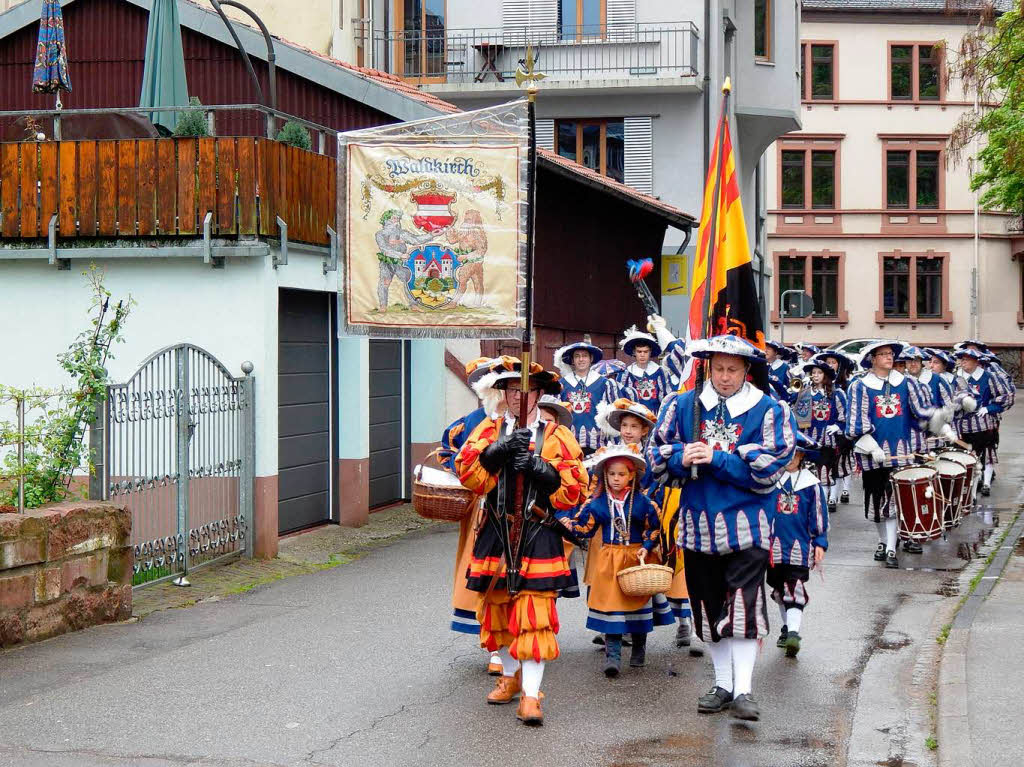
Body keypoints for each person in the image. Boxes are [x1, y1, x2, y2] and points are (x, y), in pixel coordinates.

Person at [648, 334, 796, 722]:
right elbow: (656, 460)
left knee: (744, 607)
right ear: (707, 367)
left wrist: (719, 459)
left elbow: (770, 472)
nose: (725, 377)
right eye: (718, 368)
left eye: (733, 369)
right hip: (698, 527)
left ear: (747, 370)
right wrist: (683, 456)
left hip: (748, 526)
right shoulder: (681, 405)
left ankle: (745, 690)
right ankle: (723, 684)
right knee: (709, 608)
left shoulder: (768, 410)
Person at [457, 356, 588, 726]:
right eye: (513, 390)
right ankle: (510, 677)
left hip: (538, 531)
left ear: (541, 394)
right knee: (497, 611)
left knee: (535, 618)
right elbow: (469, 476)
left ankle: (531, 696)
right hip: (496, 531)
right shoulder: (489, 429)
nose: (519, 397)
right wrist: (493, 454)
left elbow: (576, 490)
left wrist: (542, 472)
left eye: (527, 390)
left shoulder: (557, 435)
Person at [845, 341, 952, 567]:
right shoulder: (860, 386)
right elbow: (856, 423)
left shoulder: (906, 383)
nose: (889, 357)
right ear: (872, 359)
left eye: (891, 354)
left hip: (902, 452)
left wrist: (940, 422)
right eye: (883, 354)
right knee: (876, 501)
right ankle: (883, 541)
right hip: (873, 454)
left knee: (895, 501)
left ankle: (892, 548)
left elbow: (920, 412)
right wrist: (871, 447)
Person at [563, 444, 665, 677]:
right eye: (611, 474)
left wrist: (647, 547)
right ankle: (613, 657)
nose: (616, 479)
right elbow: (585, 528)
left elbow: (654, 529)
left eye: (621, 474)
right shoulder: (597, 503)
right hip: (609, 560)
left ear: (632, 475)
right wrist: (571, 527)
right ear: (604, 476)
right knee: (612, 609)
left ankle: (639, 648)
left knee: (637, 604)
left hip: (635, 558)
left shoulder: (643, 503)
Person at [597, 399, 692, 649]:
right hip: (617, 524)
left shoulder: (650, 457)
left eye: (634, 426)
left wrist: (647, 506)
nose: (628, 431)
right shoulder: (609, 453)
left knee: (664, 568)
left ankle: (684, 622)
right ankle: (617, 624)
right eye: (624, 425)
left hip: (648, 520)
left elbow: (659, 484)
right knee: (622, 573)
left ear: (645, 431)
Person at [437, 358, 498, 671]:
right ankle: (494, 646)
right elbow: (448, 452)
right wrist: (465, 474)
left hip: (519, 507)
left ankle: (513, 642)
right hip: (481, 507)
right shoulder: (469, 423)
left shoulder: (528, 421)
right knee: (482, 568)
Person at [770, 431, 829, 658]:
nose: (792, 458)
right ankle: (787, 629)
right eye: (788, 453)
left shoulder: (811, 485)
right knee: (778, 590)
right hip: (772, 548)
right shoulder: (771, 480)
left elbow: (818, 516)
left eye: (797, 454)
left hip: (799, 547)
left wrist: (820, 542)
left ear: (803, 456)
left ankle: (794, 633)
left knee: (793, 587)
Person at [953, 348, 1011, 496]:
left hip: (983, 422)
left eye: (966, 359)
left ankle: (985, 483)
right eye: (962, 359)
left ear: (976, 361)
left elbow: (1006, 395)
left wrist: (989, 408)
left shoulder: (988, 377)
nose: (963, 362)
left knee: (986, 453)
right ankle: (967, 489)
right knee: (965, 456)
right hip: (962, 425)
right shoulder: (957, 377)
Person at [555, 340, 621, 456]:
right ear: (572, 360)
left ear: (591, 359)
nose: (581, 359)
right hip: (568, 445)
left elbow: (613, 416)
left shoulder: (604, 384)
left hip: (598, 445)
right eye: (577, 356)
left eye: (585, 356)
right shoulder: (562, 384)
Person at [803, 356, 847, 513]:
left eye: (818, 373)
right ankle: (812, 502)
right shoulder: (805, 392)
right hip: (809, 439)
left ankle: (828, 500)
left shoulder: (837, 394)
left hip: (829, 440)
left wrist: (837, 426)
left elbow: (845, 416)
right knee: (810, 470)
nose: (815, 375)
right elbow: (798, 416)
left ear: (826, 375)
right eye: (813, 373)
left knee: (827, 470)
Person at [816, 350, 855, 504]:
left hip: (840, 431)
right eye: (828, 362)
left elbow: (848, 411)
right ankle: (829, 495)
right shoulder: (818, 385)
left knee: (841, 462)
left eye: (833, 362)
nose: (830, 365)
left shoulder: (844, 386)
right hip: (822, 433)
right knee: (825, 464)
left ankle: (841, 491)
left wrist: (841, 426)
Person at [616, 326, 671, 414]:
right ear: (634, 352)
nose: (642, 355)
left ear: (650, 352)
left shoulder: (660, 372)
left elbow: (667, 398)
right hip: (634, 417)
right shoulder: (626, 374)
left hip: (656, 416)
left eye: (645, 352)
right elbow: (620, 400)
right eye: (639, 351)